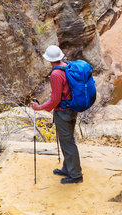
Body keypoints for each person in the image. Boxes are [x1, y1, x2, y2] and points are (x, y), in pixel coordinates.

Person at [31, 45, 83, 184]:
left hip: (63, 112)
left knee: (68, 143)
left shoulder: (55, 74)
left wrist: (40, 107)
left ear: (49, 60)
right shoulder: (66, 65)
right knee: (67, 141)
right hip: (71, 108)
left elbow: (55, 100)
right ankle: (68, 169)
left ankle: (76, 175)